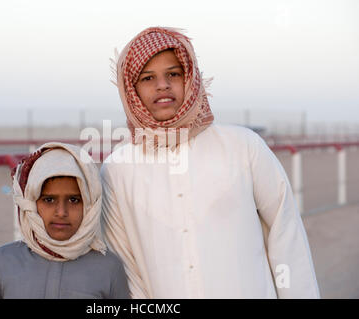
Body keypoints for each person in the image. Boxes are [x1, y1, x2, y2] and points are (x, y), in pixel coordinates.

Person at [100, 26, 320, 298]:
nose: (162, 85)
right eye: (147, 78)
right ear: (131, 90)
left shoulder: (243, 146)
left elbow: (287, 236)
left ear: (190, 77)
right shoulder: (117, 169)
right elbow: (126, 268)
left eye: (173, 74)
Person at [0, 142, 130, 299]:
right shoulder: (1, 262)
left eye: (74, 200)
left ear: (90, 205)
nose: (61, 212)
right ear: (32, 202)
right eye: (49, 200)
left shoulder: (109, 268)